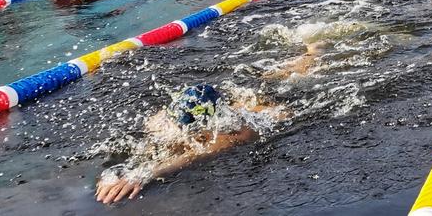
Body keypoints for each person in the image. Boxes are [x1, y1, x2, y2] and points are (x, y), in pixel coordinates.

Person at [94, 83, 290, 205]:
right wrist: (118, 172)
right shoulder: (159, 120)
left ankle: (311, 52)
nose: (176, 132)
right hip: (222, 111)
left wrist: (144, 174)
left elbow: (194, 155)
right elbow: (149, 147)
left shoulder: (234, 134)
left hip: (267, 112)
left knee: (289, 82)